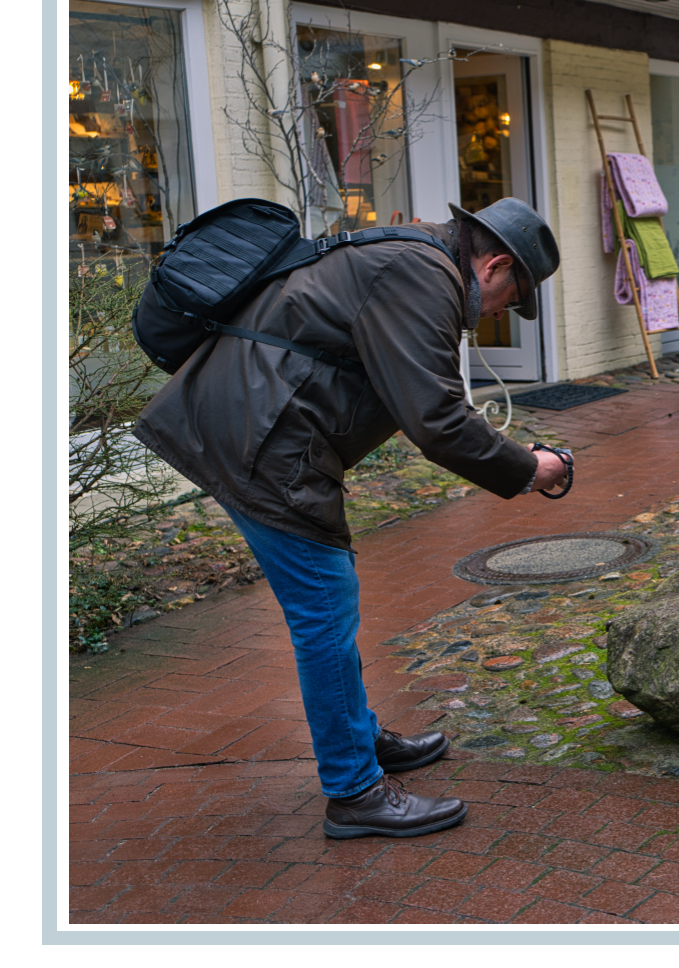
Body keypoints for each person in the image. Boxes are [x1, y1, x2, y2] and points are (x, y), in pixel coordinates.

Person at [133, 198, 568, 839]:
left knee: (328, 604)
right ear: (496, 263)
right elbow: (437, 418)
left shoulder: (407, 254)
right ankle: (355, 789)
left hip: (254, 426)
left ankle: (360, 739)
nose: (503, 311)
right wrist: (527, 469)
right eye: (512, 297)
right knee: (324, 612)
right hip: (259, 441)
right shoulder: (422, 274)